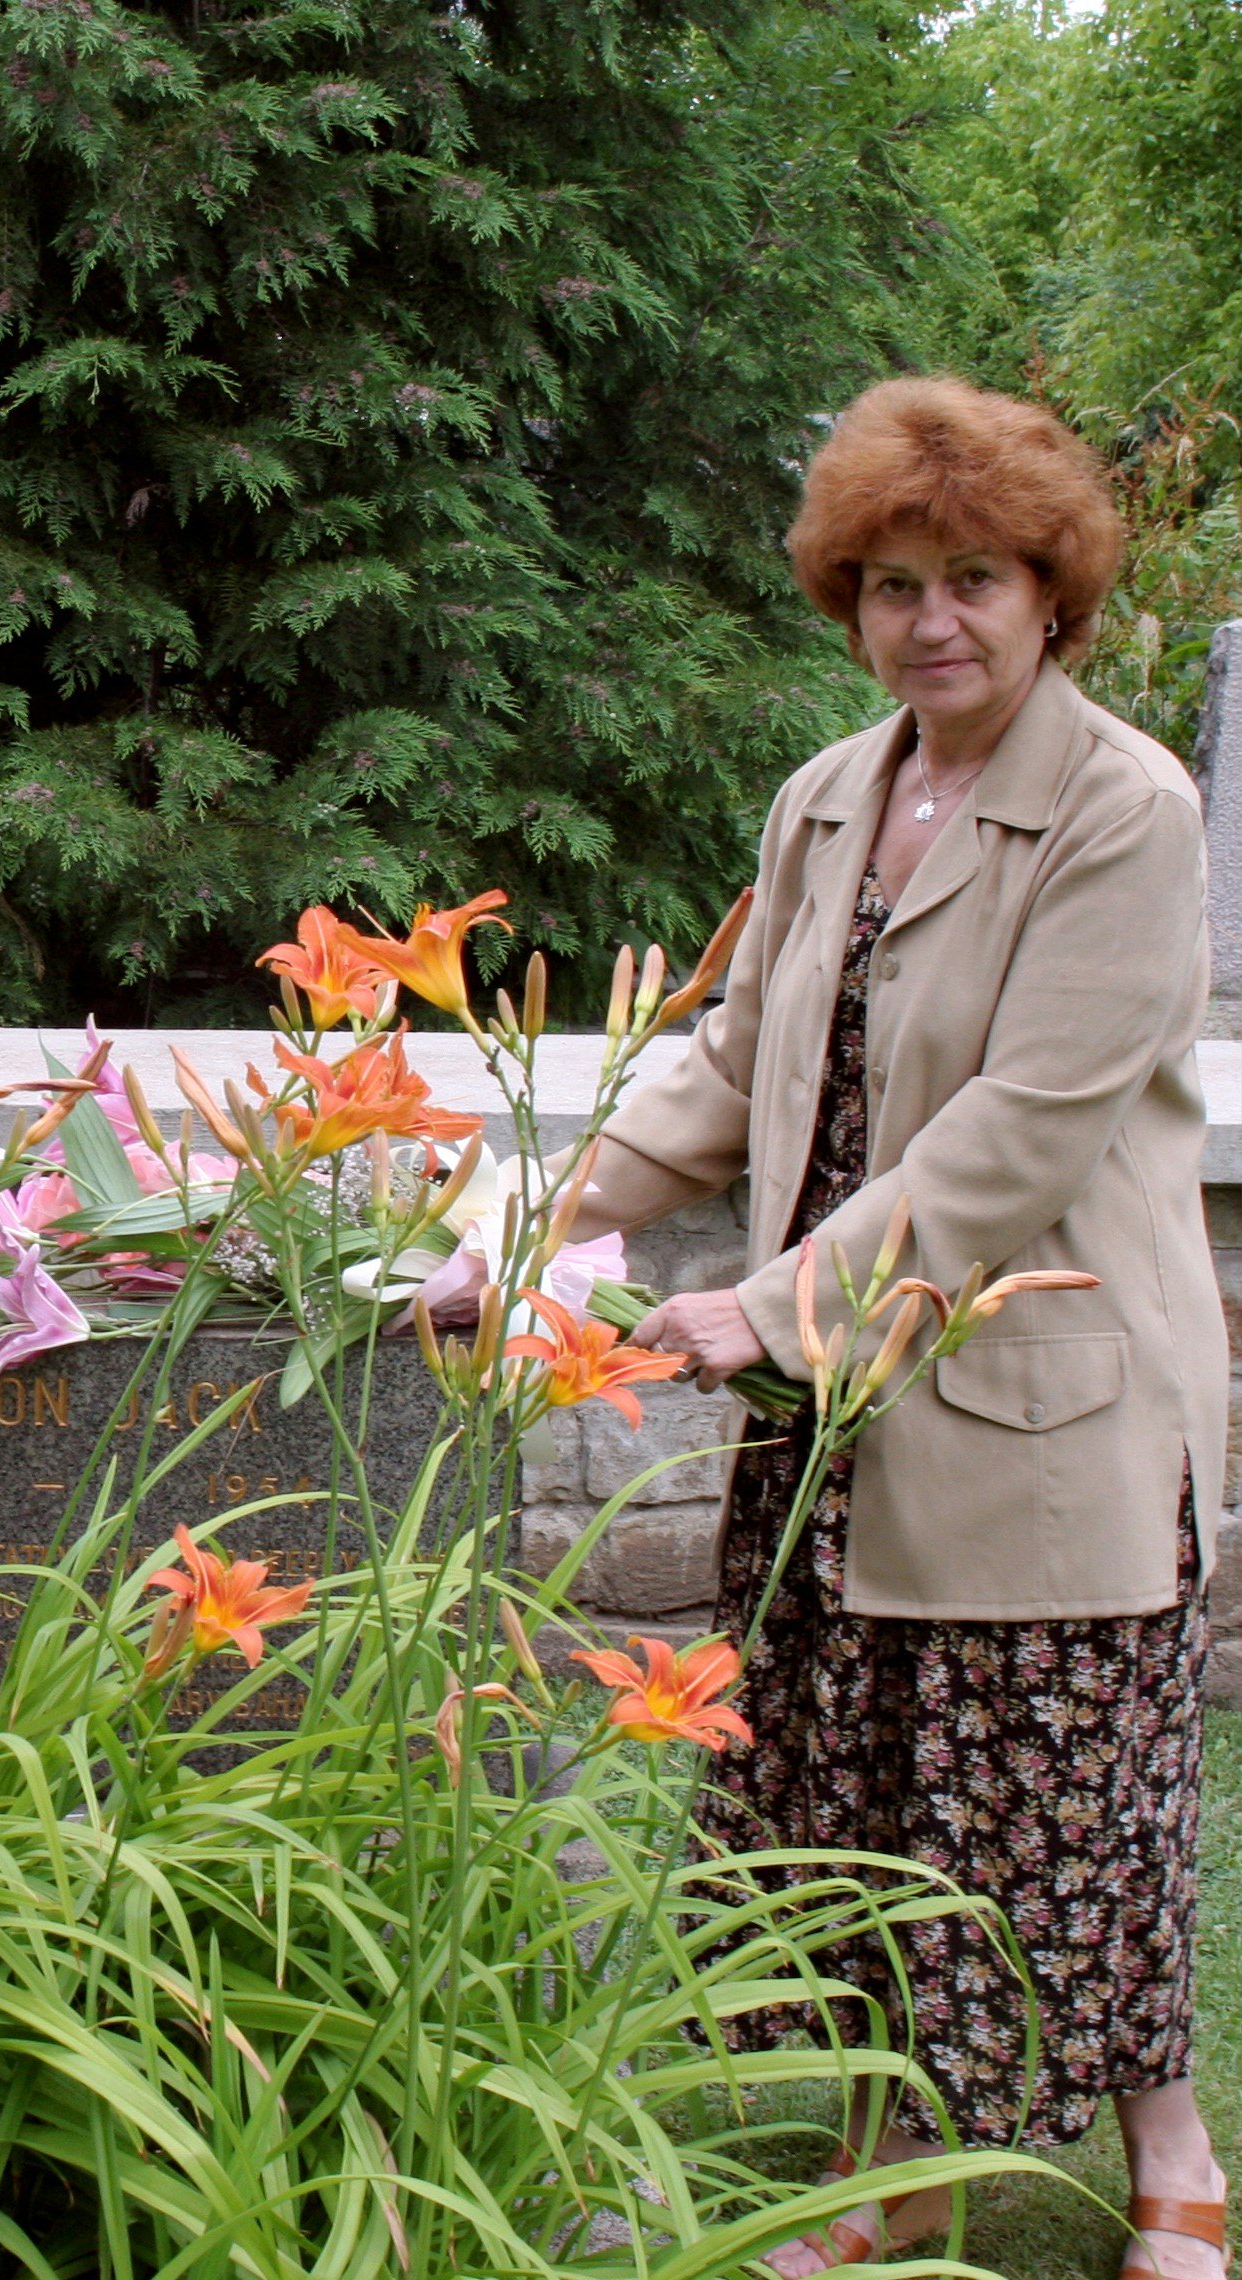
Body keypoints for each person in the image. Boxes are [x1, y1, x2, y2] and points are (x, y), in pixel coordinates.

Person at [578, 377, 1229, 2278]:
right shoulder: (829, 798)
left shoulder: (1129, 808)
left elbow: (1019, 1132)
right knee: (856, 1808)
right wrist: (539, 1216)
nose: (930, 620)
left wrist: (764, 1308)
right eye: (888, 585)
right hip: (832, 1401)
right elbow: (727, 1065)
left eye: (973, 579)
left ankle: (1173, 2158)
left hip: (1032, 1380)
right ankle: (899, 2184)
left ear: (1054, 595)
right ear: (844, 603)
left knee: (1066, 1808)